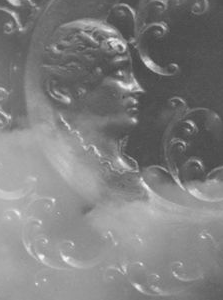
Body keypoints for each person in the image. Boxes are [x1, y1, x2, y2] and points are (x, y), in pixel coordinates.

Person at [38, 17, 147, 199]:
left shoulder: (122, 170)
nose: (137, 88)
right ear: (60, 90)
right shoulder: (57, 167)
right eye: (119, 73)